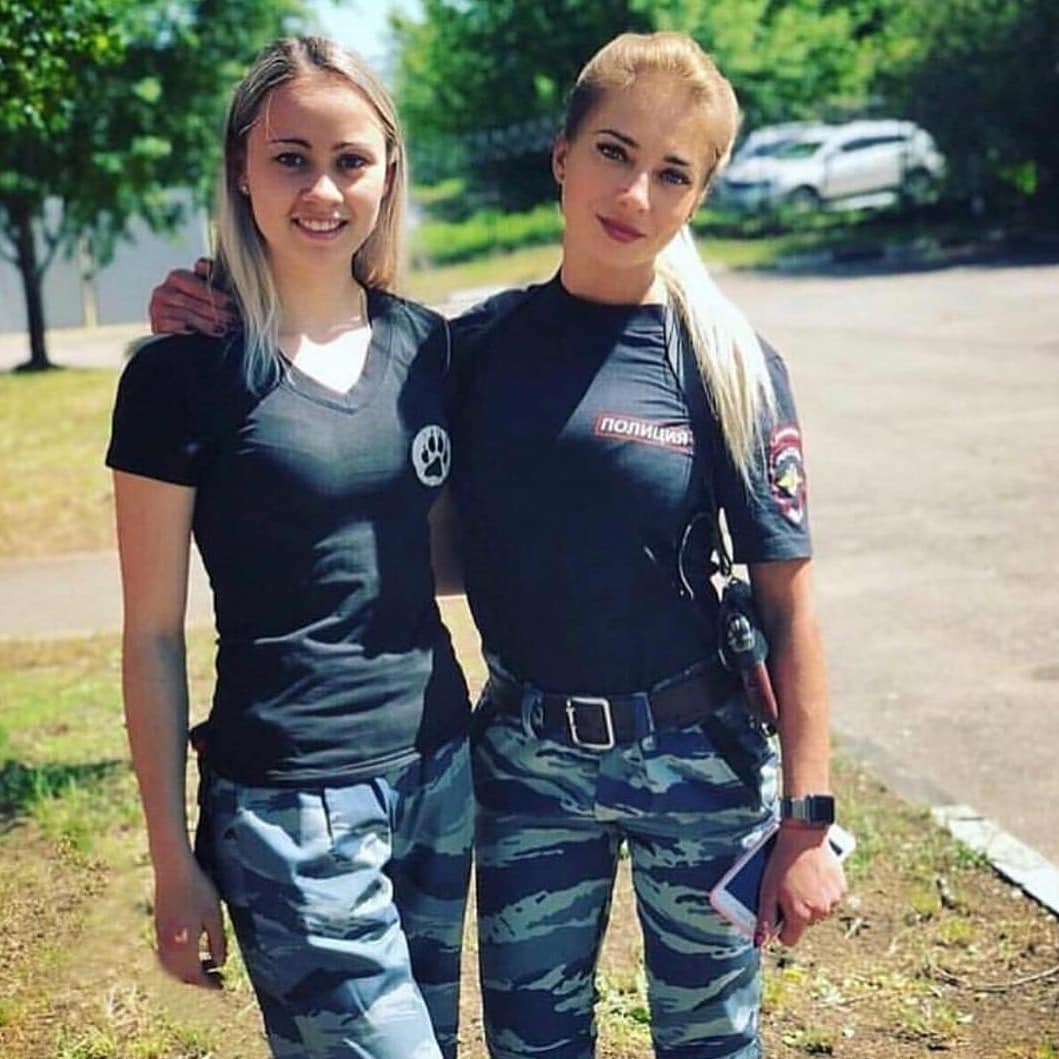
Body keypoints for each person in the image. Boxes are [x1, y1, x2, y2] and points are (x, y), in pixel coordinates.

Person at [148, 30, 847, 1059]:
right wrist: (211, 293)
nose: (635, 194)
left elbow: (790, 603)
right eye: (613, 153)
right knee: (531, 1044)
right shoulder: (465, 349)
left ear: (699, 194)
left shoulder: (728, 362)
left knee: (709, 1042)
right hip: (526, 767)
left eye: (672, 173)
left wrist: (806, 820)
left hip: (696, 761)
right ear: (562, 156)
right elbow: (343, 381)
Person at [108, 36, 473, 1059]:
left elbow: (440, 559)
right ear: (241, 168)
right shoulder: (180, 377)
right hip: (288, 804)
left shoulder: (429, 349)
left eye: (350, 160)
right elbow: (151, 635)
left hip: (439, 770)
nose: (322, 189)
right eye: (290, 158)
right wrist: (170, 857)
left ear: (388, 171)